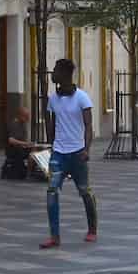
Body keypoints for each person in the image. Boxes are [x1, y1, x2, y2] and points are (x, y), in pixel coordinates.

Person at [42, 58, 98, 248]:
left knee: (85, 192)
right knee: (51, 192)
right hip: (59, 153)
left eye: (56, 71)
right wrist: (51, 147)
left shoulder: (82, 97)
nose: (53, 74)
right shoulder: (52, 99)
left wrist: (86, 149)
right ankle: (54, 236)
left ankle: (92, 229)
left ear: (66, 74)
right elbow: (51, 125)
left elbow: (89, 126)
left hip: (77, 153)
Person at [2, 105, 38, 180]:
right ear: (20, 115)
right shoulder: (14, 125)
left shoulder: (23, 124)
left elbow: (23, 140)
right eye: (26, 116)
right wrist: (25, 144)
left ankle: (33, 171)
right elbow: (11, 140)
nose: (28, 118)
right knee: (32, 153)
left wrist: (28, 144)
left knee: (36, 149)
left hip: (20, 148)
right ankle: (28, 173)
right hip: (13, 150)